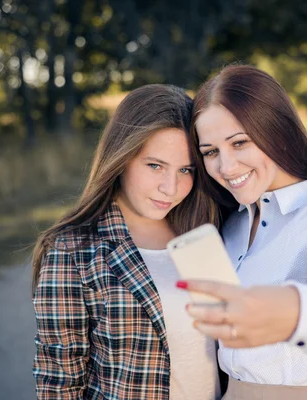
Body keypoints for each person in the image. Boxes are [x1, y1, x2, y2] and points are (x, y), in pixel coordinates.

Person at [179, 65, 307, 400]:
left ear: (276, 132)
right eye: (210, 152)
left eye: (239, 143)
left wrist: (291, 310)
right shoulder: (232, 223)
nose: (225, 167)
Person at [31, 84, 222, 400]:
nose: (170, 187)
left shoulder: (203, 230)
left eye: (185, 169)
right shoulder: (72, 251)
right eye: (155, 165)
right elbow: (59, 385)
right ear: (122, 157)